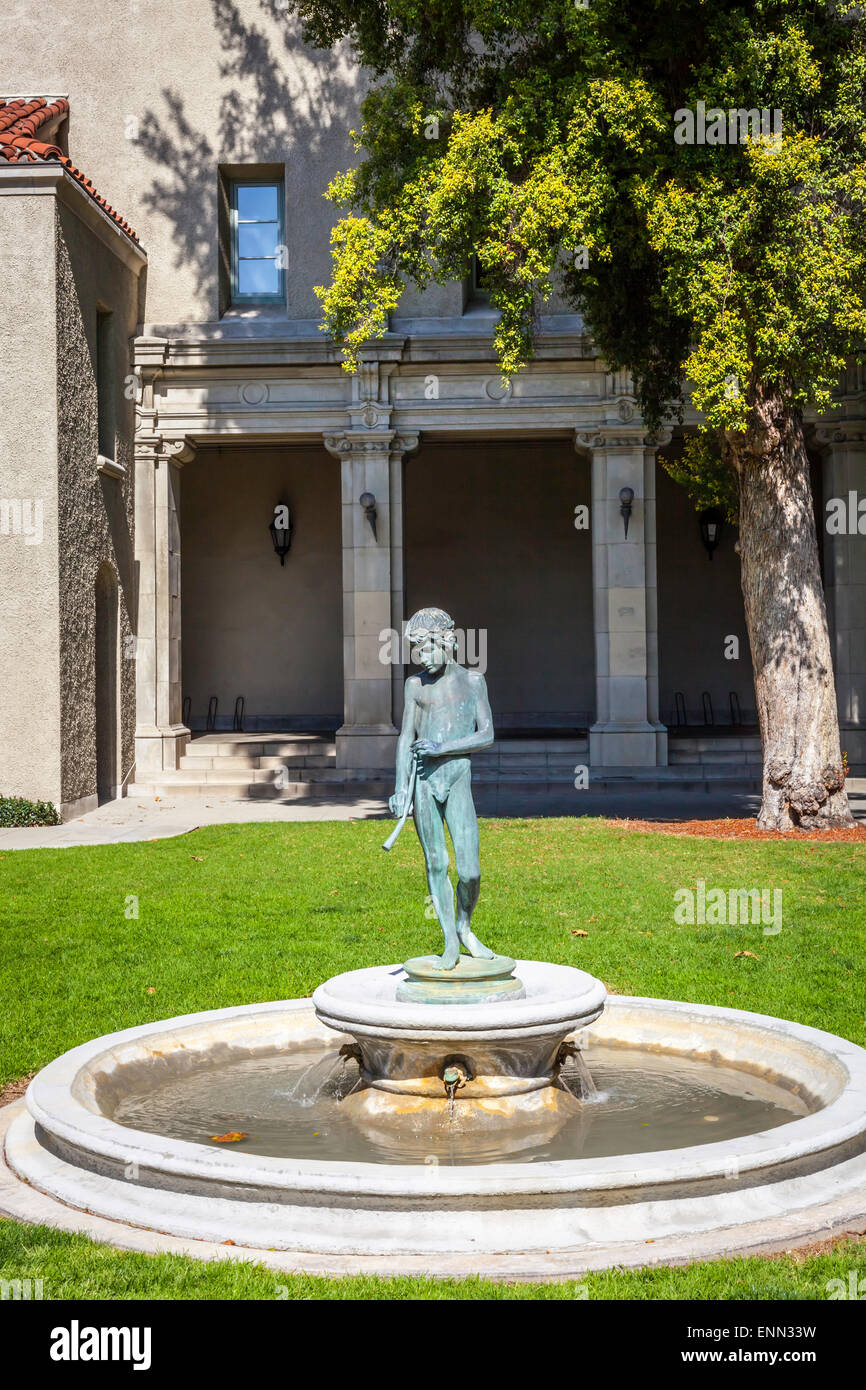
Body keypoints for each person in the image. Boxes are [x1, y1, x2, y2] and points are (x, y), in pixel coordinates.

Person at [389, 607, 495, 968]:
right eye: (417, 650)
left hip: (457, 778)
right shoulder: (415, 685)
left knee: (470, 871)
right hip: (423, 782)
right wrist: (401, 787)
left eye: (428, 648)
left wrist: (442, 747)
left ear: (448, 643)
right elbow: (406, 737)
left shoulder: (473, 682)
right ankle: (450, 940)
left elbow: (487, 734)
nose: (423, 657)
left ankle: (465, 927)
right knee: (437, 863)